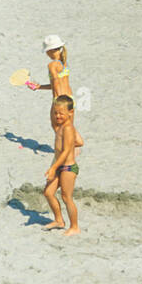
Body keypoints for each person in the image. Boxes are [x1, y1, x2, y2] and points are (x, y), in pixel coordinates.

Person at [42, 94, 83, 236]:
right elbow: (80, 142)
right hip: (60, 167)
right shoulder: (59, 127)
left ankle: (75, 227)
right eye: (56, 112)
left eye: (61, 113)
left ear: (70, 113)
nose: (57, 116)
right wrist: (53, 102)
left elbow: (65, 152)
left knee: (66, 197)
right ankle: (59, 220)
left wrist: (53, 167)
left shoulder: (68, 128)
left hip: (68, 168)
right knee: (48, 193)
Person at [35, 35, 72, 101]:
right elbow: (58, 84)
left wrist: (58, 103)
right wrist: (39, 87)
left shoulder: (52, 65)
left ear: (49, 51)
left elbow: (56, 84)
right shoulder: (64, 62)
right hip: (70, 98)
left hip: (60, 100)